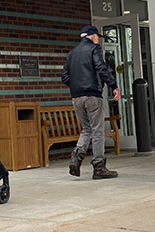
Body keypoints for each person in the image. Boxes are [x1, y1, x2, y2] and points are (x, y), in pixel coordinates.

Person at [62, 25, 121, 180]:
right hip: (93, 95)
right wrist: (113, 85)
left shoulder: (72, 54)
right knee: (97, 130)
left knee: (86, 129)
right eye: (97, 37)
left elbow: (65, 77)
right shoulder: (94, 49)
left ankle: (76, 157)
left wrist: (76, 87)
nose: (98, 40)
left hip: (76, 97)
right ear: (92, 36)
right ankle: (99, 167)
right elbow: (101, 68)